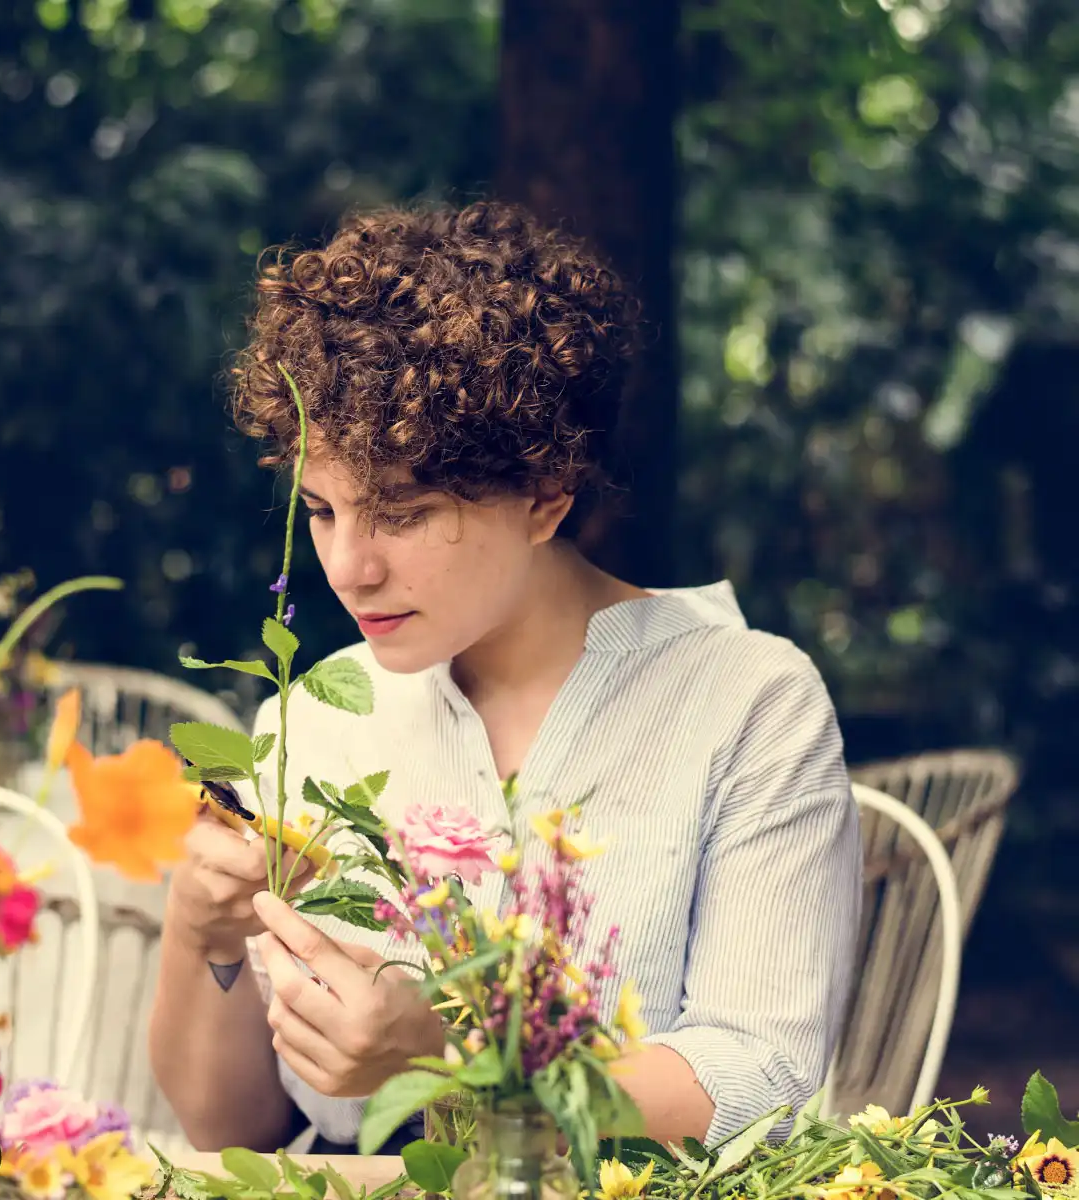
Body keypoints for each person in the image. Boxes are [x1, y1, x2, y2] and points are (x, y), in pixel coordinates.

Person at [147, 199, 863, 1156]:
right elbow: (226, 1128)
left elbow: (764, 1076)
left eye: (402, 513)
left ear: (545, 501)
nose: (349, 569)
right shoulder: (312, 719)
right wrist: (203, 934)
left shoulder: (744, 702)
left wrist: (451, 1059)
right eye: (321, 510)